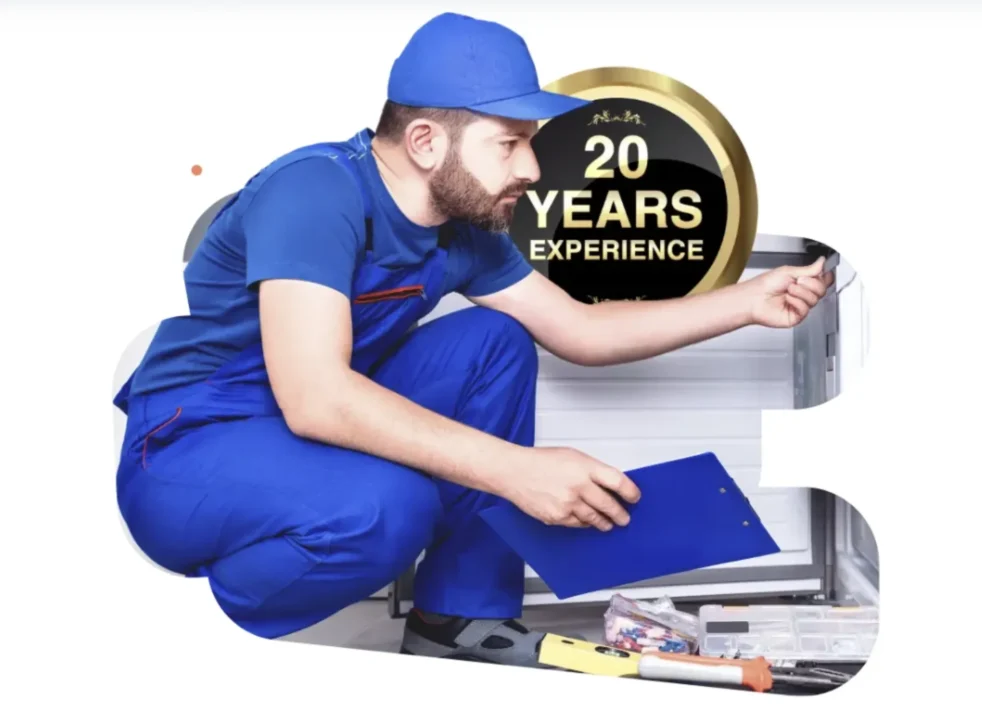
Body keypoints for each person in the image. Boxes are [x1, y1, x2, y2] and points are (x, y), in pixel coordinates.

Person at [113, 12, 834, 667]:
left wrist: (744, 302)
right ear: (426, 141)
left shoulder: (466, 228)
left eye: (531, 143)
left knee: (496, 339)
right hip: (189, 443)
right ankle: (197, 636)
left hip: (297, 426)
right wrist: (517, 471)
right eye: (510, 144)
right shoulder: (314, 190)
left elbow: (579, 329)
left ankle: (456, 618)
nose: (532, 169)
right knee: (391, 506)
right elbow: (316, 397)